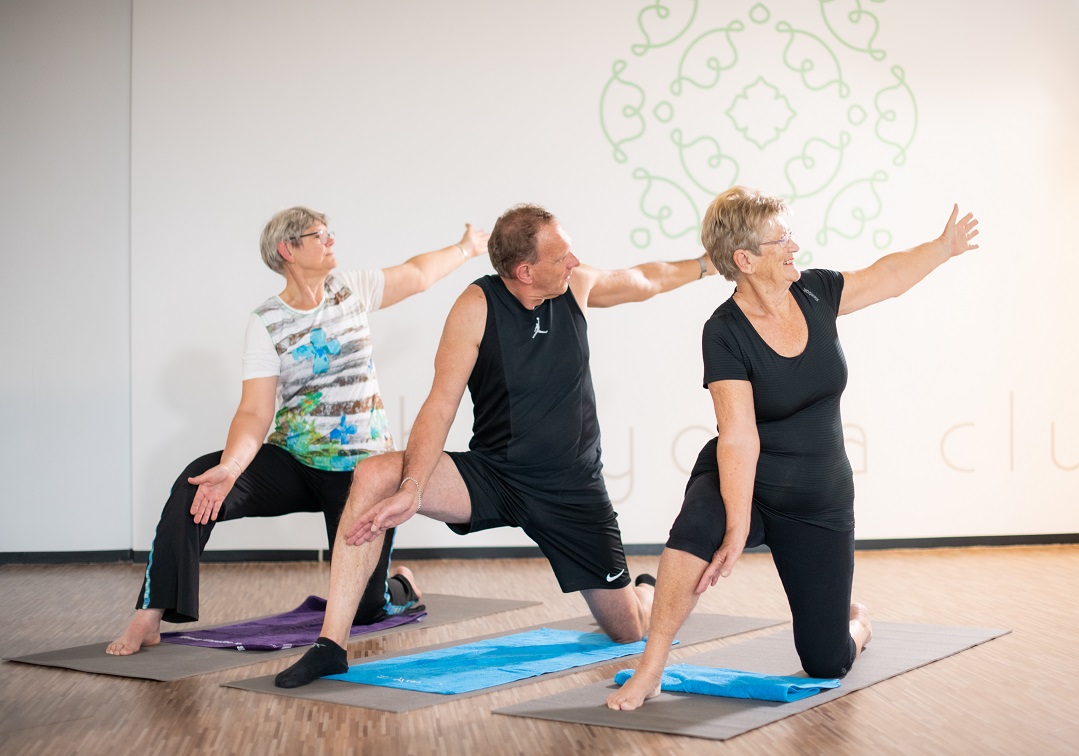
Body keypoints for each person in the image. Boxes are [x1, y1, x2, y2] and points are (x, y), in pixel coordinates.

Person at [273, 202, 719, 687]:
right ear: (525, 271)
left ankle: (645, 589)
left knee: (628, 629)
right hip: (496, 475)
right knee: (374, 474)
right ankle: (331, 644)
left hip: (572, 490)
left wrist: (703, 265)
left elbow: (644, 278)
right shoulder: (476, 306)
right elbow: (440, 404)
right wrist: (411, 486)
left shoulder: (579, 286)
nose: (574, 262)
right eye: (562, 256)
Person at [606, 186, 980, 709]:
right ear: (745, 259)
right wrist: (736, 526)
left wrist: (941, 248)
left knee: (827, 661)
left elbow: (886, 276)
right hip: (745, 481)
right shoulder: (724, 332)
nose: (794, 246)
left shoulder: (817, 293)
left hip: (819, 500)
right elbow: (738, 435)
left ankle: (856, 621)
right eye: (780, 238)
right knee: (697, 528)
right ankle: (651, 666)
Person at [106, 206, 489, 655]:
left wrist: (466, 247)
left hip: (361, 472)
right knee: (198, 482)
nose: (331, 242)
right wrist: (230, 468)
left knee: (366, 611)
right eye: (320, 235)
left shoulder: (351, 289)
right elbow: (254, 412)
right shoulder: (266, 322)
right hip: (294, 461)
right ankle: (150, 615)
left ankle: (397, 585)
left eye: (329, 233)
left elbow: (417, 274)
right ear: (288, 249)